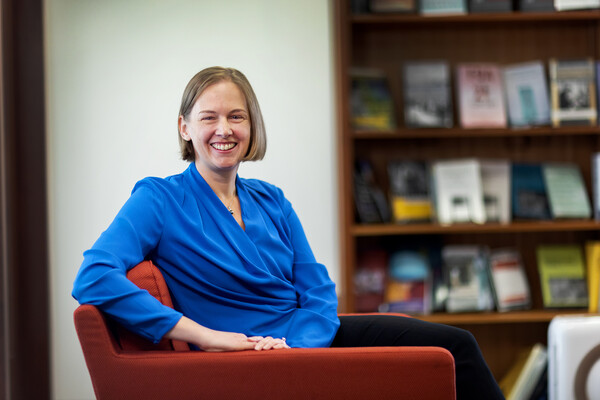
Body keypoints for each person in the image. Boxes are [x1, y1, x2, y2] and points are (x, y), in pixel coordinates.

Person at [73, 66, 505, 398]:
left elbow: (316, 288)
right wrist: (203, 335)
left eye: (236, 117)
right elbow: (93, 277)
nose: (224, 130)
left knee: (455, 347)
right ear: (185, 127)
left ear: (251, 127)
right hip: (242, 358)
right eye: (209, 117)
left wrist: (297, 346)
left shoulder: (271, 199)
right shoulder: (159, 200)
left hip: (306, 343)